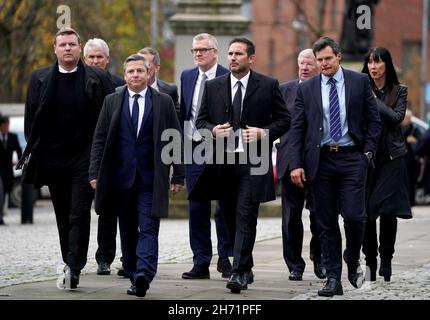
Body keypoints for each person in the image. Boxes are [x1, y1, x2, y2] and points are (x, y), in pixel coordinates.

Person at [18, 27, 114, 289]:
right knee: (62, 214)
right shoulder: (40, 78)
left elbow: (108, 117)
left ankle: (74, 265)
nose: (68, 48)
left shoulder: (97, 77)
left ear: (80, 48)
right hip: (53, 157)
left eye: (72, 44)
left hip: (85, 157)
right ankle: (68, 258)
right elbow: (31, 121)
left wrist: (104, 154)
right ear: (55, 49)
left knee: (79, 212)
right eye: (63, 45)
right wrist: (37, 150)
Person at [194, 37, 290, 293]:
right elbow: (200, 121)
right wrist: (213, 130)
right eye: (230, 53)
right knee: (228, 218)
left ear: (251, 58)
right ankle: (246, 267)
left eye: (238, 54)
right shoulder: (213, 86)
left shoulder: (268, 85)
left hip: (253, 162)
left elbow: (284, 120)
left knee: (246, 214)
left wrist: (263, 133)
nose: (233, 57)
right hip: (223, 162)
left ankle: (238, 272)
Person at [289, 37, 381, 297]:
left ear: (338, 56)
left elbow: (373, 120)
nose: (323, 64)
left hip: (353, 158)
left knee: (354, 216)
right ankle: (332, 278)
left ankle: (352, 258)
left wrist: (368, 152)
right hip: (321, 161)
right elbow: (298, 129)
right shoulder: (306, 89)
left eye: (328, 59)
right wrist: (295, 164)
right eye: (319, 60)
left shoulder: (359, 82)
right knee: (325, 222)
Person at [89, 54, 184, 297]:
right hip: (120, 179)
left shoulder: (163, 102)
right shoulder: (112, 101)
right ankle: (133, 274)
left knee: (149, 227)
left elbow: (175, 139)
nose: (135, 75)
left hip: (151, 179)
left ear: (149, 73)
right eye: (130, 71)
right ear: (124, 74)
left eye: (140, 71)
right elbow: (100, 139)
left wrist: (178, 175)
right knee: (128, 230)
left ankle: (144, 272)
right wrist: (94, 172)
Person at [179, 33, 233, 280]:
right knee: (197, 207)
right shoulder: (187, 76)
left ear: (215, 52)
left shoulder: (228, 75)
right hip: (194, 149)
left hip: (222, 148)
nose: (197, 54)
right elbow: (185, 112)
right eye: (194, 50)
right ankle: (201, 261)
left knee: (224, 206)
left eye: (202, 50)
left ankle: (226, 257)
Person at [361, 47, 412, 282]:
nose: (373, 67)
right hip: (368, 158)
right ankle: (369, 259)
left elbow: (395, 119)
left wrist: (371, 100)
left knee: (388, 212)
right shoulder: (360, 88)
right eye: (370, 62)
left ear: (387, 65)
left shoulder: (399, 91)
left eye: (378, 62)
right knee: (368, 213)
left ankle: (387, 259)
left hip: (393, 159)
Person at [276, 49, 325, 281]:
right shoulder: (284, 90)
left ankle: (320, 257)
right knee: (291, 216)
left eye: (309, 64)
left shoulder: (324, 90)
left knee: (319, 214)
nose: (304, 67)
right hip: (289, 161)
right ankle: (294, 264)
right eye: (301, 63)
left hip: (318, 162)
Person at [83, 37, 126, 276]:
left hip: (111, 157)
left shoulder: (121, 86)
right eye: (92, 57)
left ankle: (104, 258)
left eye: (100, 57)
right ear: (85, 59)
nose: (96, 61)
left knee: (108, 210)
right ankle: (74, 257)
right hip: (81, 156)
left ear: (107, 59)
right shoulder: (75, 84)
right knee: (79, 210)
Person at [138, 47, 180, 118]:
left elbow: (177, 119)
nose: (142, 68)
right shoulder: (124, 90)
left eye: (146, 65)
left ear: (157, 67)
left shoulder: (170, 90)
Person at [0, 115, 22, 225]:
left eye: (8, 125)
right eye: (5, 125)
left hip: (8, 171)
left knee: (4, 193)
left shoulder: (13, 136)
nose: (7, 127)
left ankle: (1, 216)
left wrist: (19, 161)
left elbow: (18, 150)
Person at [401, 109, 422, 206]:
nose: (407, 120)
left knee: (411, 182)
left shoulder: (414, 129)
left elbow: (422, 142)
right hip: (401, 159)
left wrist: (415, 141)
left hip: (411, 161)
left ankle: (411, 203)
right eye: (406, 118)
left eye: (409, 118)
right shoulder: (398, 128)